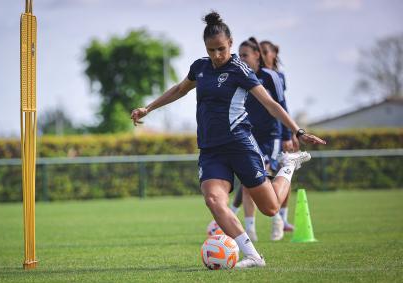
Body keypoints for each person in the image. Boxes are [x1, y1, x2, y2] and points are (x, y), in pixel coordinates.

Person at [130, 11, 326, 268]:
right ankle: (254, 256)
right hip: (211, 150)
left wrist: (298, 131)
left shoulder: (239, 70)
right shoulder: (200, 67)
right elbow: (179, 89)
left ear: (230, 44)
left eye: (221, 49)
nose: (216, 55)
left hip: (240, 145)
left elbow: (270, 104)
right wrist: (149, 108)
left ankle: (288, 165)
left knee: (270, 208)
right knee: (213, 200)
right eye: (211, 50)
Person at [228, 37, 292, 241]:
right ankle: (250, 230)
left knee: (266, 179)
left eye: (245, 55)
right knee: (248, 182)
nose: (241, 59)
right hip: (248, 135)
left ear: (257, 55)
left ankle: (277, 220)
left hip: (270, 136)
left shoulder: (271, 77)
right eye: (239, 55)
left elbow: (281, 106)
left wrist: (289, 134)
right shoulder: (238, 76)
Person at [261, 40, 298, 232]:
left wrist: (288, 134)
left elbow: (282, 106)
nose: (262, 55)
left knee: (270, 173)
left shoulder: (276, 77)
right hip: (256, 133)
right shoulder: (252, 75)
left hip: (275, 133)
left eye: (265, 52)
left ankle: (281, 218)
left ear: (274, 53)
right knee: (257, 175)